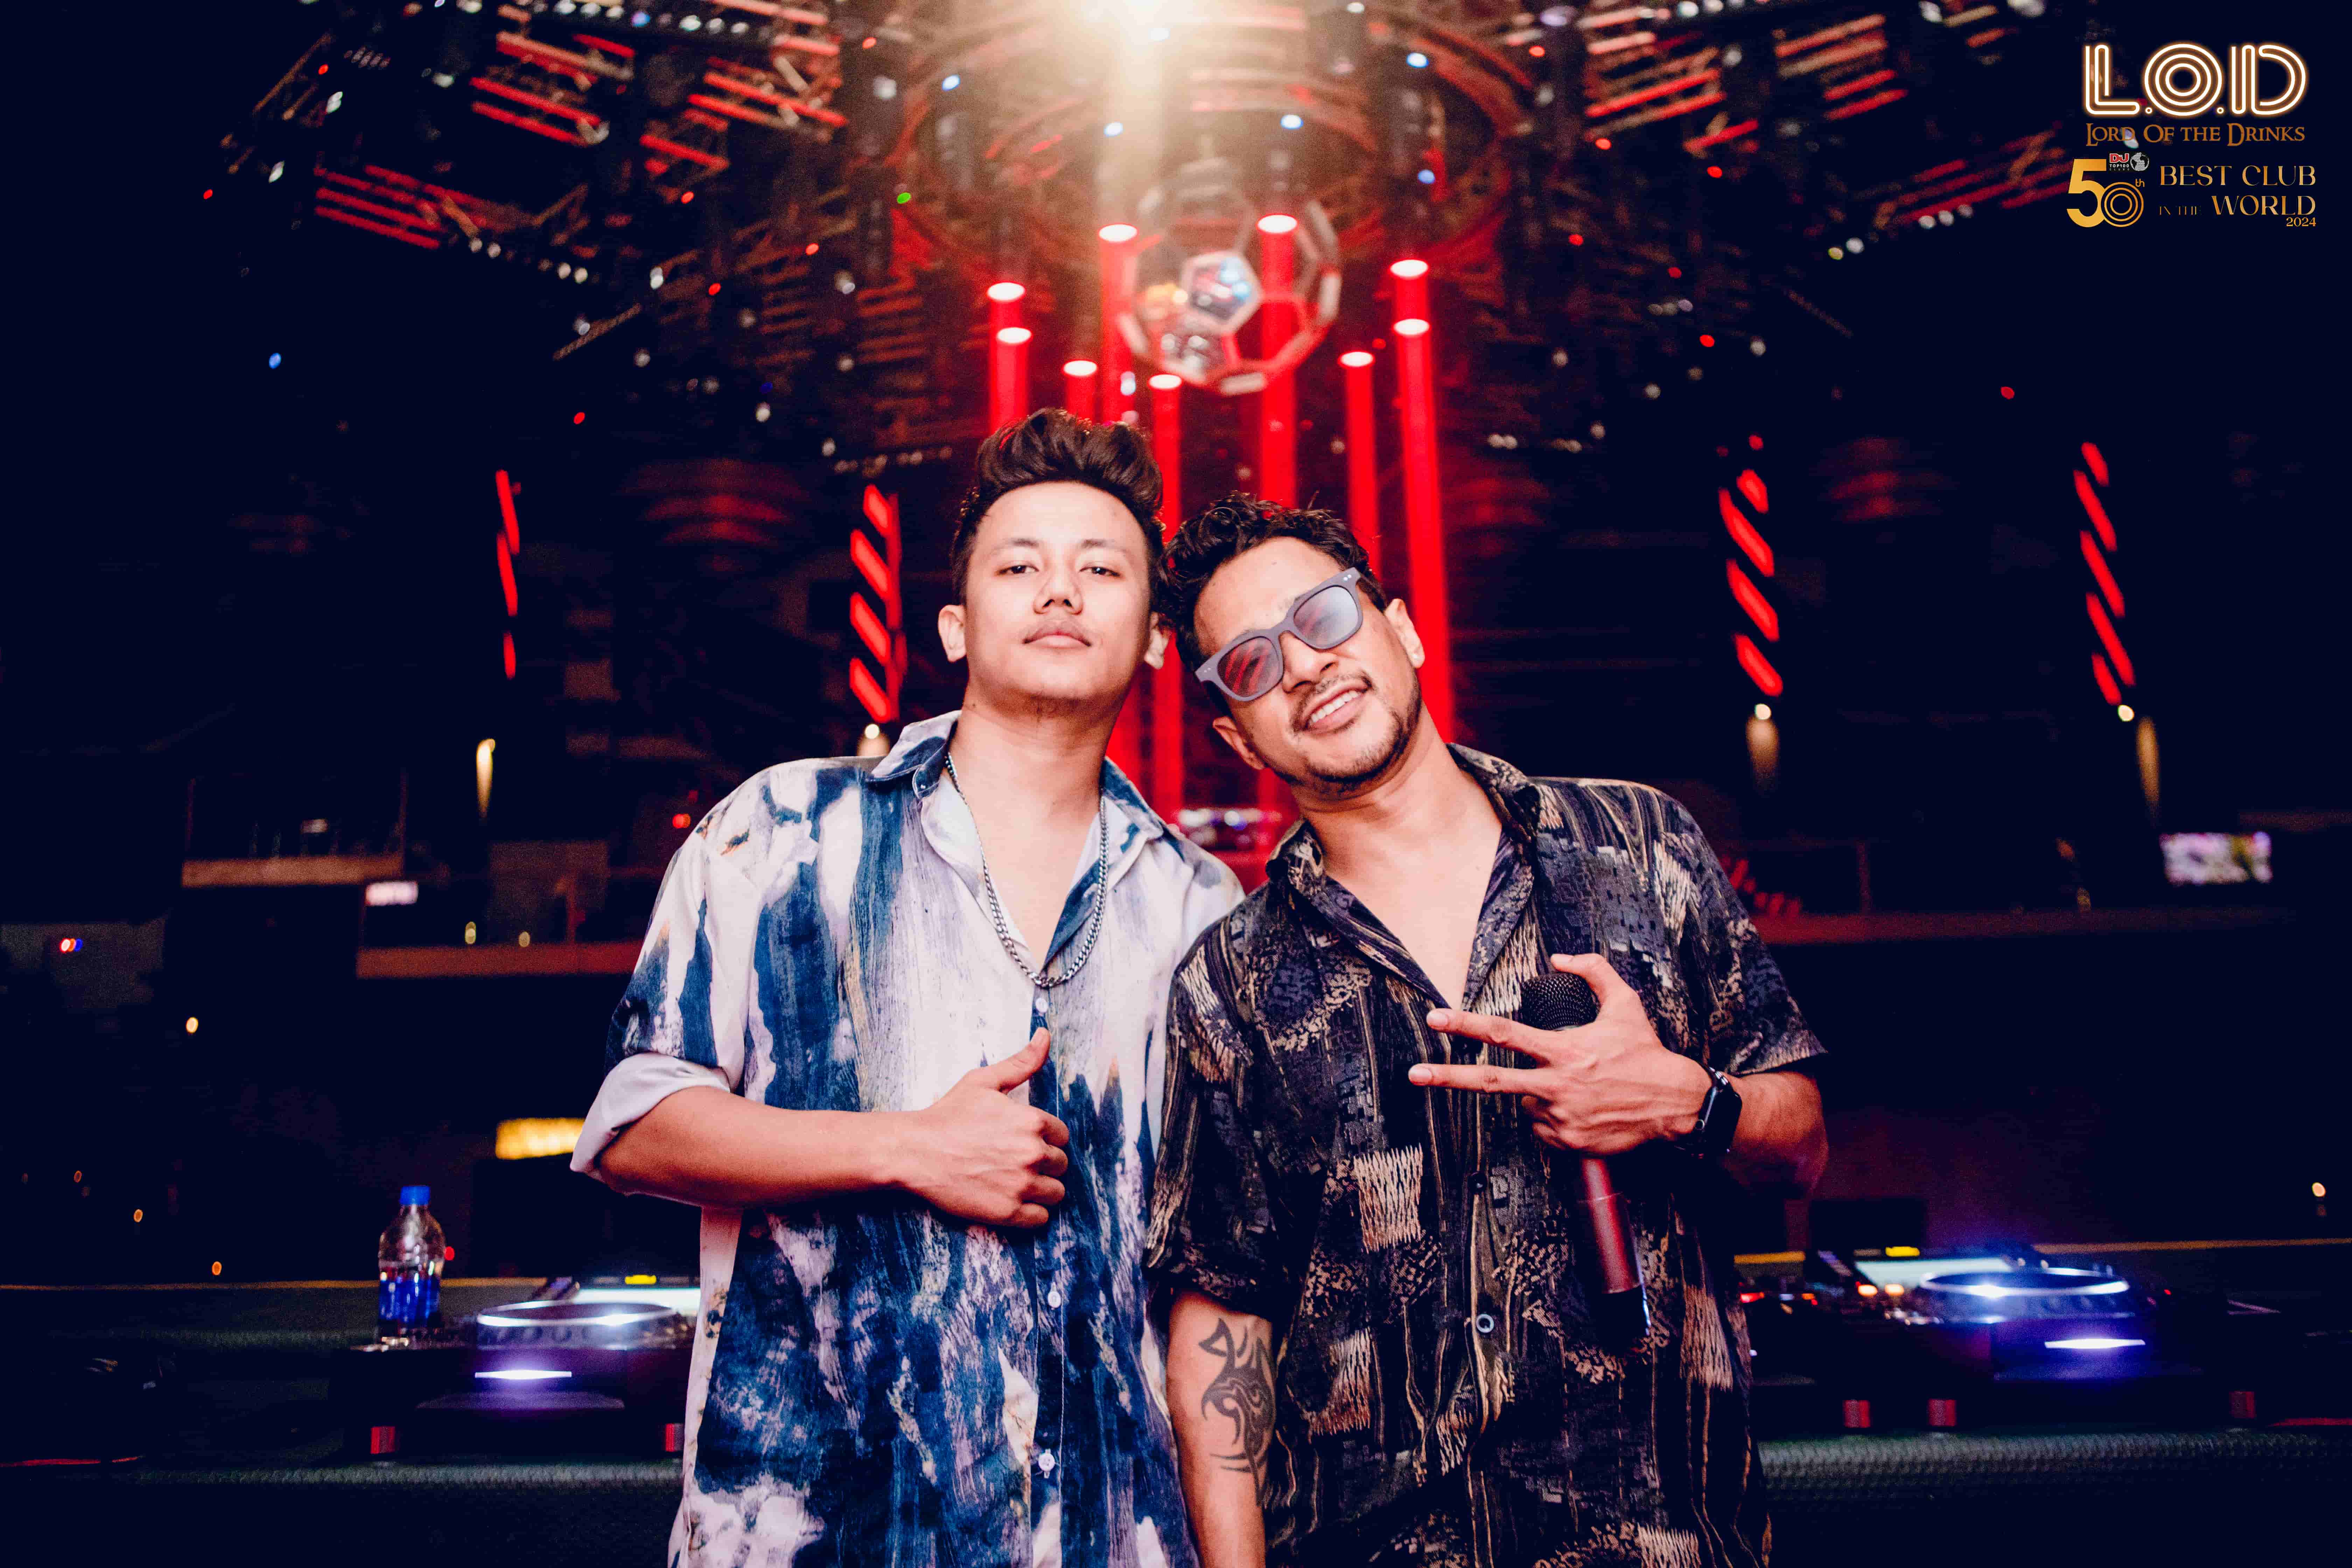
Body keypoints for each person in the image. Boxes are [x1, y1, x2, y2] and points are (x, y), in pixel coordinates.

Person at [573, 411, 1242, 1567]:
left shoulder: (1203, 910)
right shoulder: (779, 833)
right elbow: (637, 1127)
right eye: (1019, 567)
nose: (1060, 591)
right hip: (821, 1533)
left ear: (1154, 640)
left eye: (1101, 570)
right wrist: (907, 1147)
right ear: (955, 626)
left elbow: (1219, 1285)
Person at [1143, 496, 1829, 1568]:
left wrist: (1682, 1100)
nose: (1305, 666)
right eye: (1252, 663)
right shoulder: (1230, 982)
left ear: (1402, 630)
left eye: (1323, 617)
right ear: (1237, 733)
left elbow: (1802, 1147)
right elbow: (1221, 1325)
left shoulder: (1639, 847)